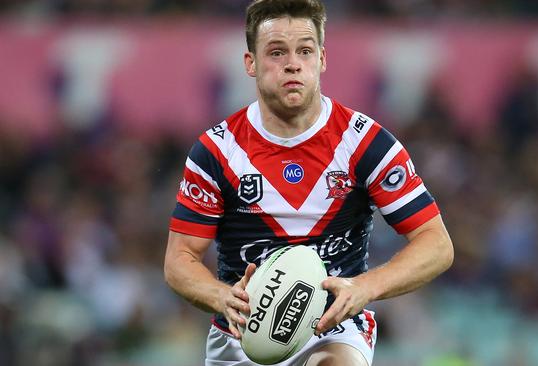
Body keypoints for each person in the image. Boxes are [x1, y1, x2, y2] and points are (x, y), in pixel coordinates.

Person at [163, 0, 454, 365]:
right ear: (250, 63)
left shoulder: (365, 144)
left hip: (336, 326)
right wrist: (221, 296)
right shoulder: (217, 151)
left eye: (305, 50)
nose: (292, 64)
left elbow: (437, 244)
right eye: (276, 52)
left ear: (322, 59)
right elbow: (179, 259)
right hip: (245, 332)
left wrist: (365, 287)